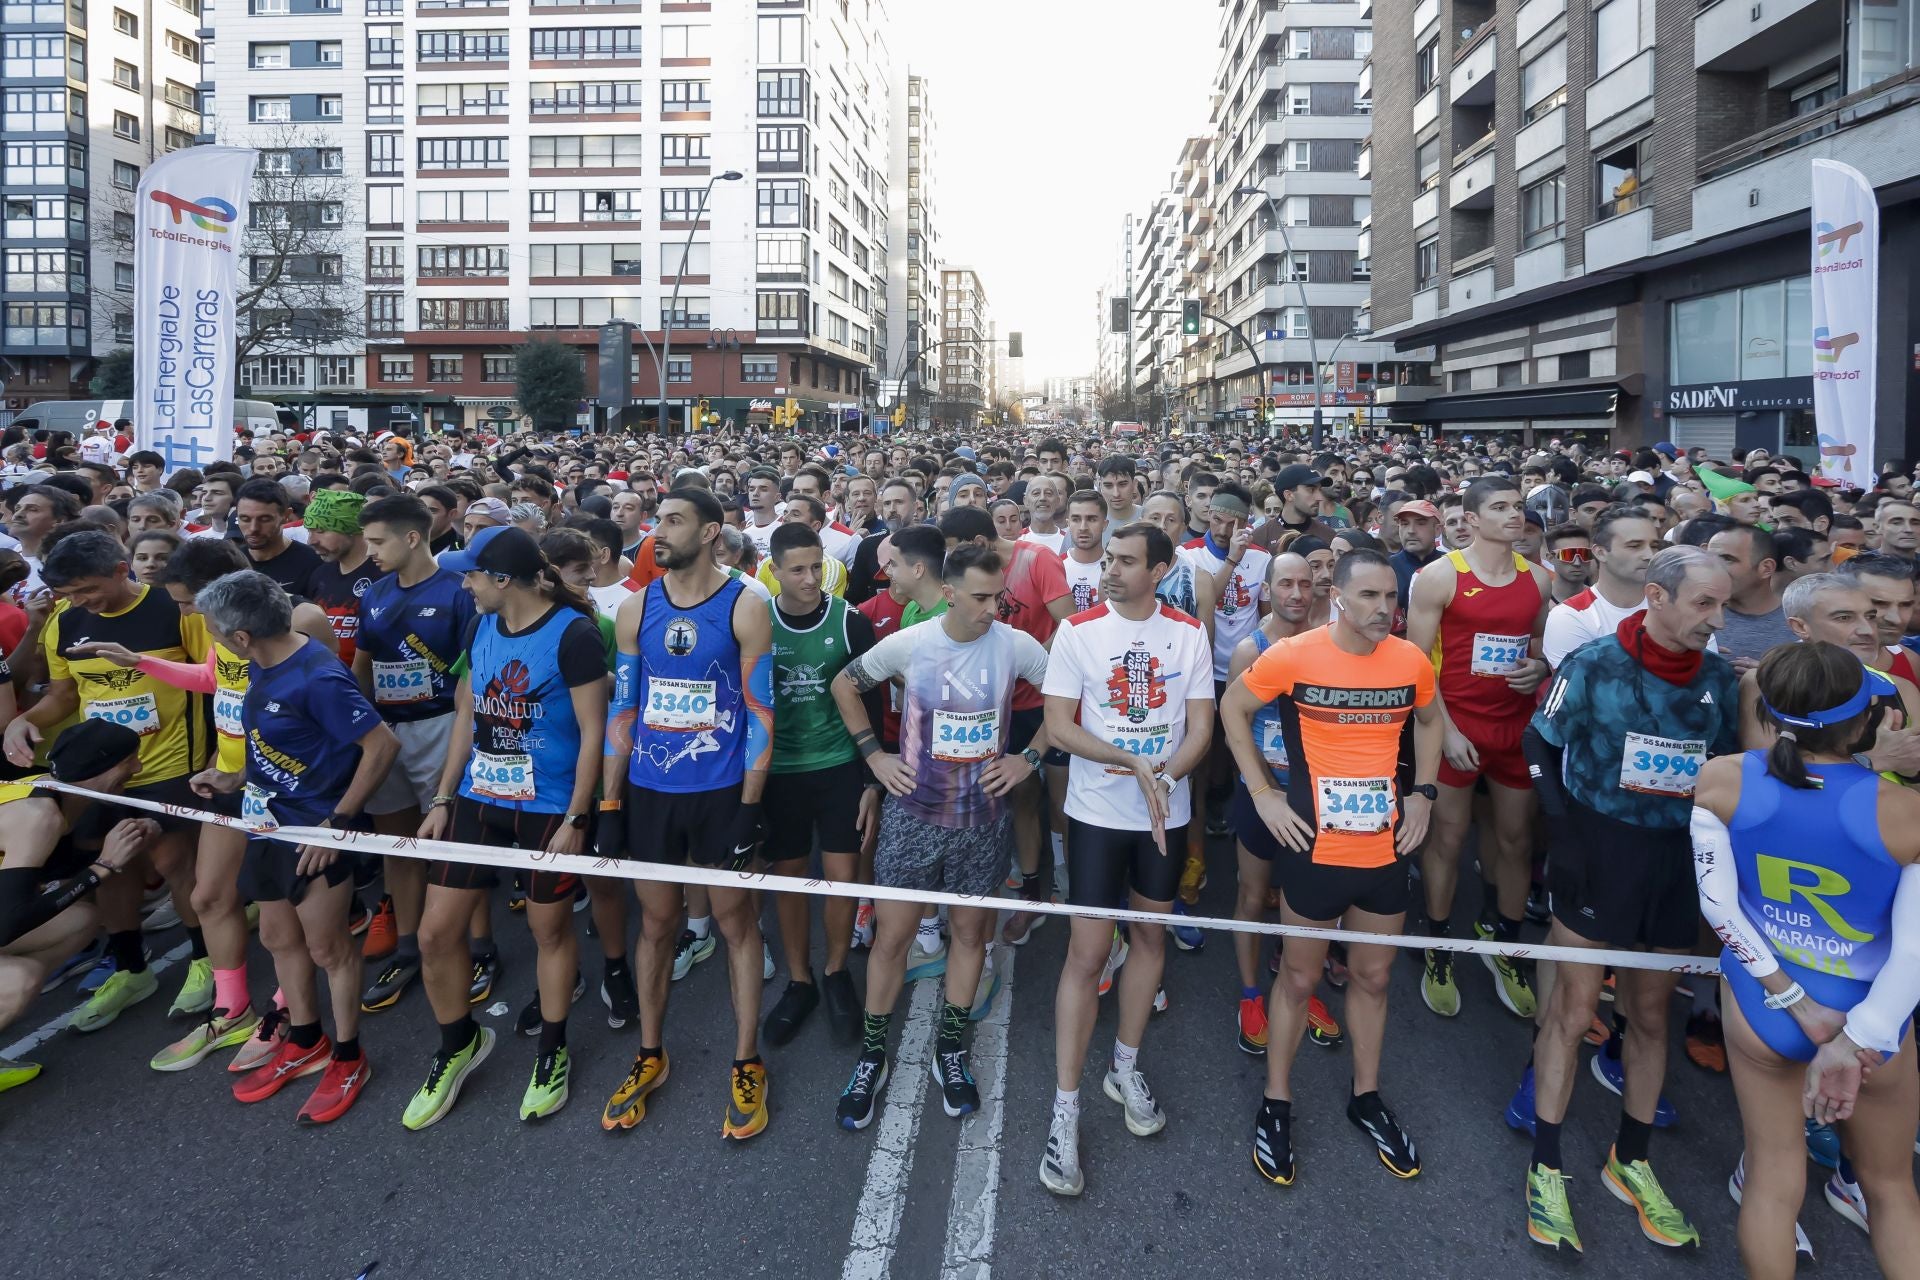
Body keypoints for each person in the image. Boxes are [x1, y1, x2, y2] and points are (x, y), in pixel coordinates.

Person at [1519, 546, 1741, 1254]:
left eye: (1722, 603)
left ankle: (1631, 1159)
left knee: (1649, 1015)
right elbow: (1539, 741)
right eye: (1703, 603)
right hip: (1600, 851)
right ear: (1657, 596)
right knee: (1571, 1010)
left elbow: (1733, 762)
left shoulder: (1720, 679)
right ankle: (1546, 1165)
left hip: (1675, 859)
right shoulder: (1593, 666)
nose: (1716, 618)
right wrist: (1566, 838)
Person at [1694, 642, 1920, 1280]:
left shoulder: (1721, 778)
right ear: (1868, 720)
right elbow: (1913, 952)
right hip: (1872, 1017)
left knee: (1771, 1181)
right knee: (1891, 1190)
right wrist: (1859, 1040)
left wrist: (1794, 1002)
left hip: (1767, 1002)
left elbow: (1720, 911)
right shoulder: (1905, 812)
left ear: (1769, 712)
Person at [1222, 549, 1441, 1185]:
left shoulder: (1406, 660)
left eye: (1392, 598)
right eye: (1369, 596)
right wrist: (1263, 794)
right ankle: (1278, 1100)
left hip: (1384, 849)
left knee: (1373, 980)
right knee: (1297, 977)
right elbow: (1234, 710)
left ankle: (1365, 1097)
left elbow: (1430, 720)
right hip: (1315, 845)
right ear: (1337, 596)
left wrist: (1424, 795)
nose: (1384, 609)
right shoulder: (1295, 654)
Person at [829, 543, 1050, 1130]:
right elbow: (845, 686)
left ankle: (949, 1049)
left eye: (998, 597)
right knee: (892, 939)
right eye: (981, 598)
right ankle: (872, 1054)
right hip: (914, 818)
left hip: (983, 822)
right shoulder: (913, 643)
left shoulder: (1014, 645)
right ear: (949, 593)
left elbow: (1067, 698)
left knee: (970, 937)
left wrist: (1030, 756)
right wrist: (874, 757)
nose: (993, 609)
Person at [407, 525, 607, 1128]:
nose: (462, 583)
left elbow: (594, 732)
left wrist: (578, 815)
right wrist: (443, 796)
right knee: (434, 935)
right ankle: (457, 1044)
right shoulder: (481, 624)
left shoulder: (573, 635)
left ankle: (552, 1050)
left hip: (548, 810)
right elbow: (466, 712)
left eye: (470, 574)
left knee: (549, 932)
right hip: (478, 800)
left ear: (500, 578)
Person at [1037, 522, 1214, 1195]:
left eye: (1127, 561)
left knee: (1149, 938)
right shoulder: (1078, 631)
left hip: (1165, 816)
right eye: (1107, 559)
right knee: (1086, 955)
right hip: (1096, 817)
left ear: (1162, 569)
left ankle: (1125, 1063)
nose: (1110, 569)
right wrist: (1128, 761)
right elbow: (1059, 726)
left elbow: (1201, 726)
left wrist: (1165, 779)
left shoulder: (1188, 634)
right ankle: (1064, 1106)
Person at [599, 487, 775, 1140]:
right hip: (650, 790)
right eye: (657, 521)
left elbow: (761, 716)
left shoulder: (746, 606)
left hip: (721, 790)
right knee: (658, 921)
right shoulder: (636, 607)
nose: (658, 531)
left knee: (734, 922)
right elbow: (624, 709)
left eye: (673, 521)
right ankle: (650, 1053)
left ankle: (746, 1058)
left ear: (710, 533)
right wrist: (612, 803)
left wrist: (749, 809)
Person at [201, 570, 397, 1124]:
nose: (211, 635)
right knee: (275, 936)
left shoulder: (316, 675)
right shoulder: (264, 662)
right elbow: (275, 745)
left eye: (214, 629)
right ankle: (306, 1039)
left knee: (328, 949)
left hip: (314, 834)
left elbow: (381, 746)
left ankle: (349, 1055)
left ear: (242, 636)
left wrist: (336, 825)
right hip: (268, 822)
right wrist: (233, 781)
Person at [2, 530, 213, 1031]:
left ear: (122, 570)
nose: (78, 601)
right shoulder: (64, 621)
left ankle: (203, 961)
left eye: (85, 589)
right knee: (110, 866)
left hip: (169, 761)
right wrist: (25, 718)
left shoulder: (172, 608)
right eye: (70, 593)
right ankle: (130, 967)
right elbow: (65, 694)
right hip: (100, 771)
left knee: (172, 860)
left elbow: (211, 676)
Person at [1404, 476, 1552, 1019]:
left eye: (1518, 506)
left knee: (1514, 841)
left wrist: (1539, 665)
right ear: (1470, 518)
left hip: (1514, 728)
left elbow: (1539, 645)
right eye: (1500, 507)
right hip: (1455, 726)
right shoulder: (1439, 577)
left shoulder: (1538, 580)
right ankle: (1439, 945)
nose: (1514, 515)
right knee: (1447, 840)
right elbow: (1418, 666)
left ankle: (1507, 947)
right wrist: (1447, 730)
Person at [351, 494, 482, 1016]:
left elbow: (473, 673)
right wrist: (364, 722)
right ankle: (408, 945)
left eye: (378, 541)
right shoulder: (376, 592)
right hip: (386, 729)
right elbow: (363, 662)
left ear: (411, 538)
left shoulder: (457, 593)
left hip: (440, 725)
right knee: (396, 845)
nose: (370, 551)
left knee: (452, 840)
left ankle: (477, 946)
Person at [760, 520, 882, 1047]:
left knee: (840, 874)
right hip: (778, 771)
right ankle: (799, 978)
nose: (811, 578)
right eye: (798, 569)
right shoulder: (756, 621)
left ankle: (834, 972)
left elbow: (875, 703)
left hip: (838, 766)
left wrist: (872, 778)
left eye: (818, 567)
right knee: (788, 877)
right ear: (774, 571)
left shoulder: (850, 621)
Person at [1224, 551, 1341, 1053]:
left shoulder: (1333, 645)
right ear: (1266, 590)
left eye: (1305, 584)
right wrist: (1260, 790)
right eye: (1285, 584)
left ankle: (1299, 987)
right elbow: (1234, 728)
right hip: (1261, 791)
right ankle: (1251, 993)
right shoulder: (1250, 650)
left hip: (1315, 796)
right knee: (1253, 894)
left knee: (1310, 905)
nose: (1296, 593)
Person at [0, 722, 151, 1091]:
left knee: (80, 918)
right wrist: (102, 868)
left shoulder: (58, 793)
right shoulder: (40, 817)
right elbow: (5, 925)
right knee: (17, 982)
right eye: (129, 761)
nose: (138, 769)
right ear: (98, 771)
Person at [1541, 506, 1661, 669]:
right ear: (1600, 552)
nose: (1650, 555)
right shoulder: (1570, 616)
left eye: (1654, 546)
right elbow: (1574, 690)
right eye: (1634, 546)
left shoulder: (1673, 604)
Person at [302, 488, 375, 667]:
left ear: (351, 529)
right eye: (309, 531)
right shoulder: (320, 574)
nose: (311, 541)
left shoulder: (384, 573)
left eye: (321, 530)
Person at [1706, 524, 1794, 670]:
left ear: (1766, 568)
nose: (1713, 567)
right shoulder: (1694, 615)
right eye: (1710, 558)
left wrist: (1770, 678)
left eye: (1727, 559)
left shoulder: (1801, 623)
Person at [234, 479, 322, 594]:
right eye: (245, 519)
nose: (253, 528)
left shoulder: (313, 562)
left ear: (286, 516)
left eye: (265, 519)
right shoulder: (229, 562)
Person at [1061, 490, 1106, 611]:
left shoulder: (1117, 568)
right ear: (1068, 523)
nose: (1083, 527)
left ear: (1105, 524)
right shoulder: (1055, 565)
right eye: (1076, 519)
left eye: (1091, 519)